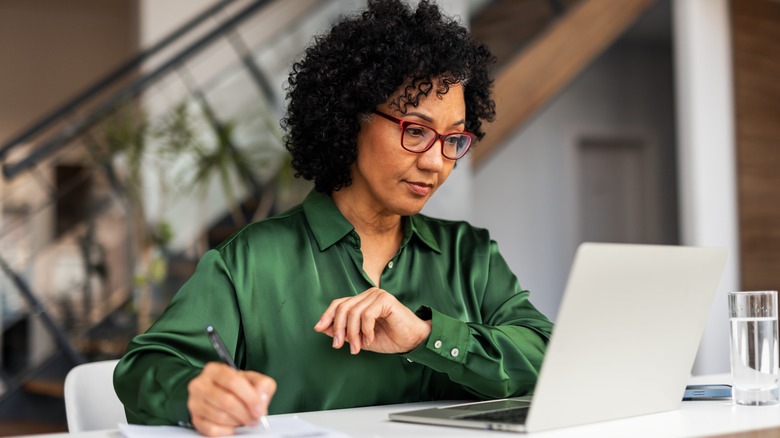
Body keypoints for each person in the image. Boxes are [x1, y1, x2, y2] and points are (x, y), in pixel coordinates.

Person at [113, 0, 553, 436]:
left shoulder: (469, 256)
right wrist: (194, 392)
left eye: (453, 138)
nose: (437, 162)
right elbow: (145, 369)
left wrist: (426, 335)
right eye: (416, 131)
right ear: (349, 119)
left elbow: (550, 356)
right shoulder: (249, 262)